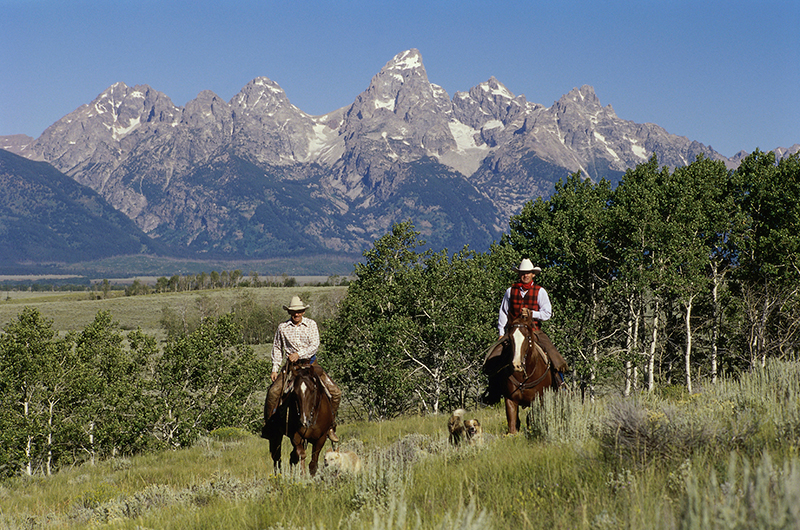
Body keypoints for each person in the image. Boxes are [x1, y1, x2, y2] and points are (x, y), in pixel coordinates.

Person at [264, 295, 341, 442]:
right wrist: (275, 368)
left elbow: (314, 345)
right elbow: (277, 348)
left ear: (303, 312)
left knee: (335, 393)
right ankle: (271, 427)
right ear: (289, 312)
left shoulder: (311, 325)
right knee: (273, 392)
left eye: (299, 311)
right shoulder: (283, 328)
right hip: (291, 368)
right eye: (293, 311)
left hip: (311, 364)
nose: (296, 314)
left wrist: (298, 354)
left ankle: (331, 425)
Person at [486, 259, 569, 386]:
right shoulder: (510, 291)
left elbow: (547, 313)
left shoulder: (540, 291)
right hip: (513, 331)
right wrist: (501, 332)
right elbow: (503, 312)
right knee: (493, 357)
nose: (525, 275)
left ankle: (561, 384)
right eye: (523, 273)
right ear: (519, 274)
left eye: (528, 273)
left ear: (533, 274)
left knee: (553, 355)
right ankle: (492, 390)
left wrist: (532, 314)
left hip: (534, 330)